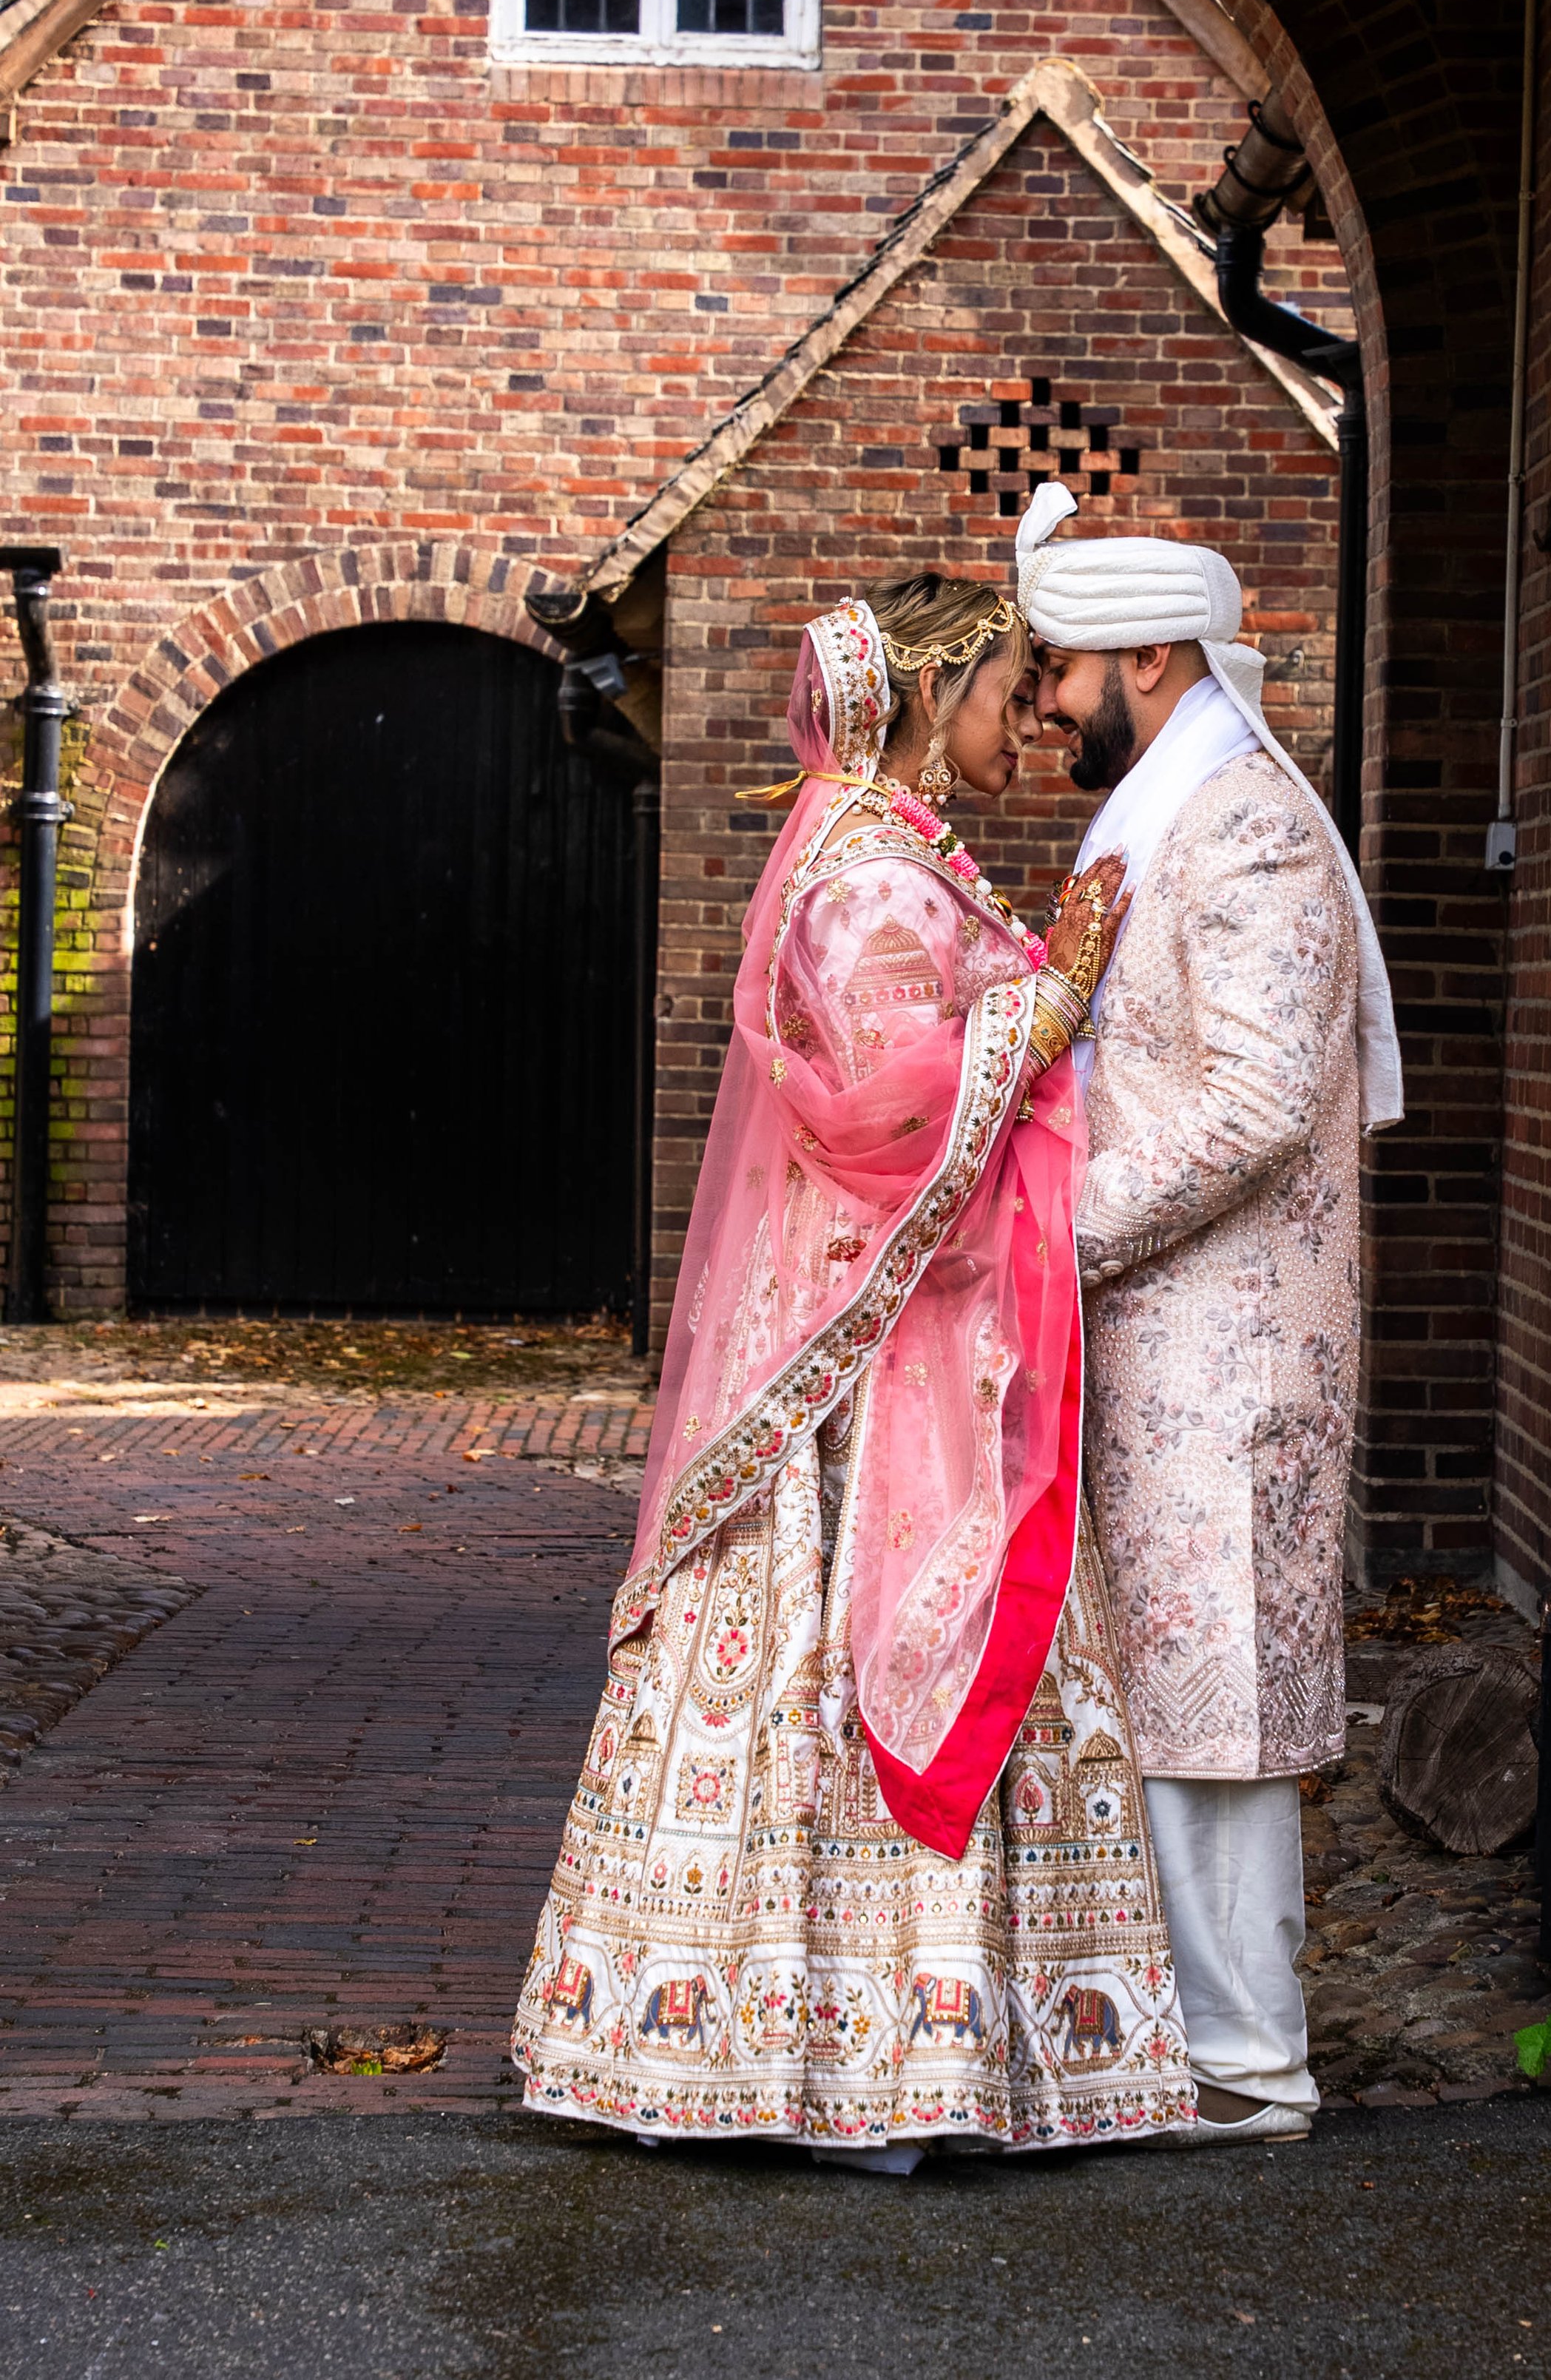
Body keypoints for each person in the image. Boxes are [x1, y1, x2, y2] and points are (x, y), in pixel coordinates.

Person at [513, 576, 1195, 2166]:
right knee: (849, 1660)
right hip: (855, 1368)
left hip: (887, 1330)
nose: (1031, 714)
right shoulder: (866, 880)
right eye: (1013, 682)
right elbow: (882, 1109)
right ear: (934, 683)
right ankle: (842, 2069)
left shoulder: (880, 857)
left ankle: (843, 2055)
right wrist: (1050, 999)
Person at [1016, 481, 1403, 2144]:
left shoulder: (1236, 819)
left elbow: (1249, 1105)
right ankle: (1193, 2047)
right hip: (1166, 1326)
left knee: (1222, 1699)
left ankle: (1248, 2065)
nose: (1037, 703)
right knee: (1174, 1694)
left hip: (1225, 1341)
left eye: (1052, 669)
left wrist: (1050, 1233)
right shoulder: (1166, 809)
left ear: (1149, 653)